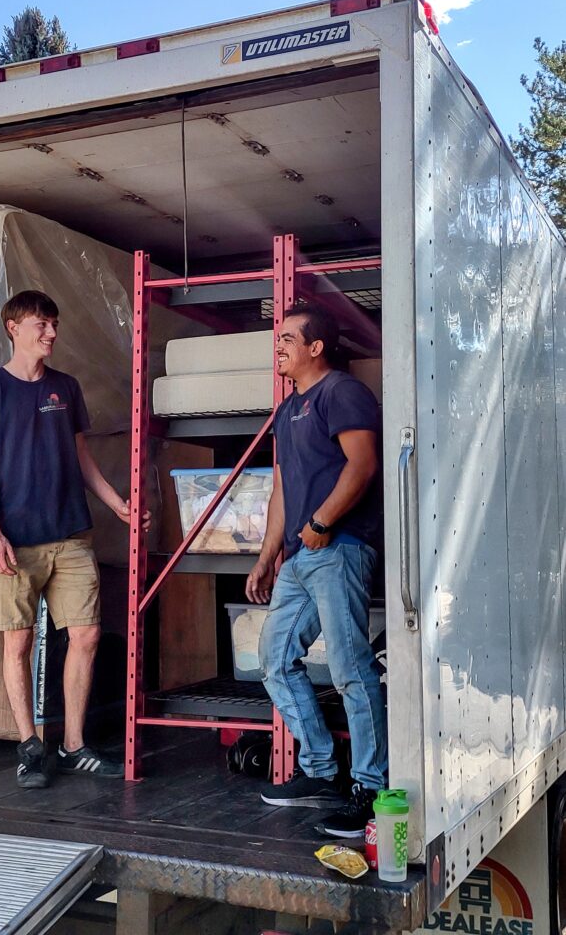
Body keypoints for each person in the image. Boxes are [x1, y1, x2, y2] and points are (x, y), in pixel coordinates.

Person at [0, 289, 147, 788]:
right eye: (41, 324)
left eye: (54, 323)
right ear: (13, 328)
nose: (51, 332)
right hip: (15, 542)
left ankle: (73, 746)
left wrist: (115, 504)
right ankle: (29, 748)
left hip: (71, 534)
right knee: (17, 643)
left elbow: (81, 455)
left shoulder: (65, 387)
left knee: (85, 635)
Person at [245, 304, 387, 838]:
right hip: (301, 555)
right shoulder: (289, 409)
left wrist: (323, 522)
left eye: (286, 338)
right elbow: (282, 487)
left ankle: (371, 790)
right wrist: (267, 555)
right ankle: (322, 773)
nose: (277, 346)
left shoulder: (342, 392)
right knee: (275, 661)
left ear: (315, 347)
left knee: (351, 669)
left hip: (340, 546)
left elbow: (363, 464)